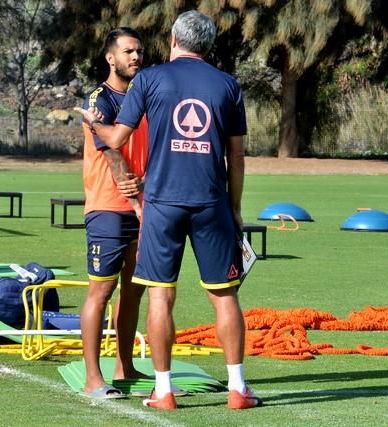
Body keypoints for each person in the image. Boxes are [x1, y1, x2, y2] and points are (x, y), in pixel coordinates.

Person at [74, 11, 261, 411]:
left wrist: (94, 125)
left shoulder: (150, 79)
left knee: (160, 296)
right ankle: (238, 389)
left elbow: (118, 137)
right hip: (212, 201)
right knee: (225, 297)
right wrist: (235, 207)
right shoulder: (228, 85)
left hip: (161, 203)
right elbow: (238, 156)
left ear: (174, 38)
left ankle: (163, 391)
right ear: (208, 45)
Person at [79, 27, 149, 399]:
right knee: (101, 291)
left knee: (134, 290)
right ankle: (94, 378)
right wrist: (134, 197)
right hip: (109, 207)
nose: (136, 57)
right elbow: (111, 150)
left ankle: (125, 366)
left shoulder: (144, 95)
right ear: (111, 58)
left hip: (142, 207)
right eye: (128, 52)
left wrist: (147, 195)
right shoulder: (99, 100)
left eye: (139, 51)